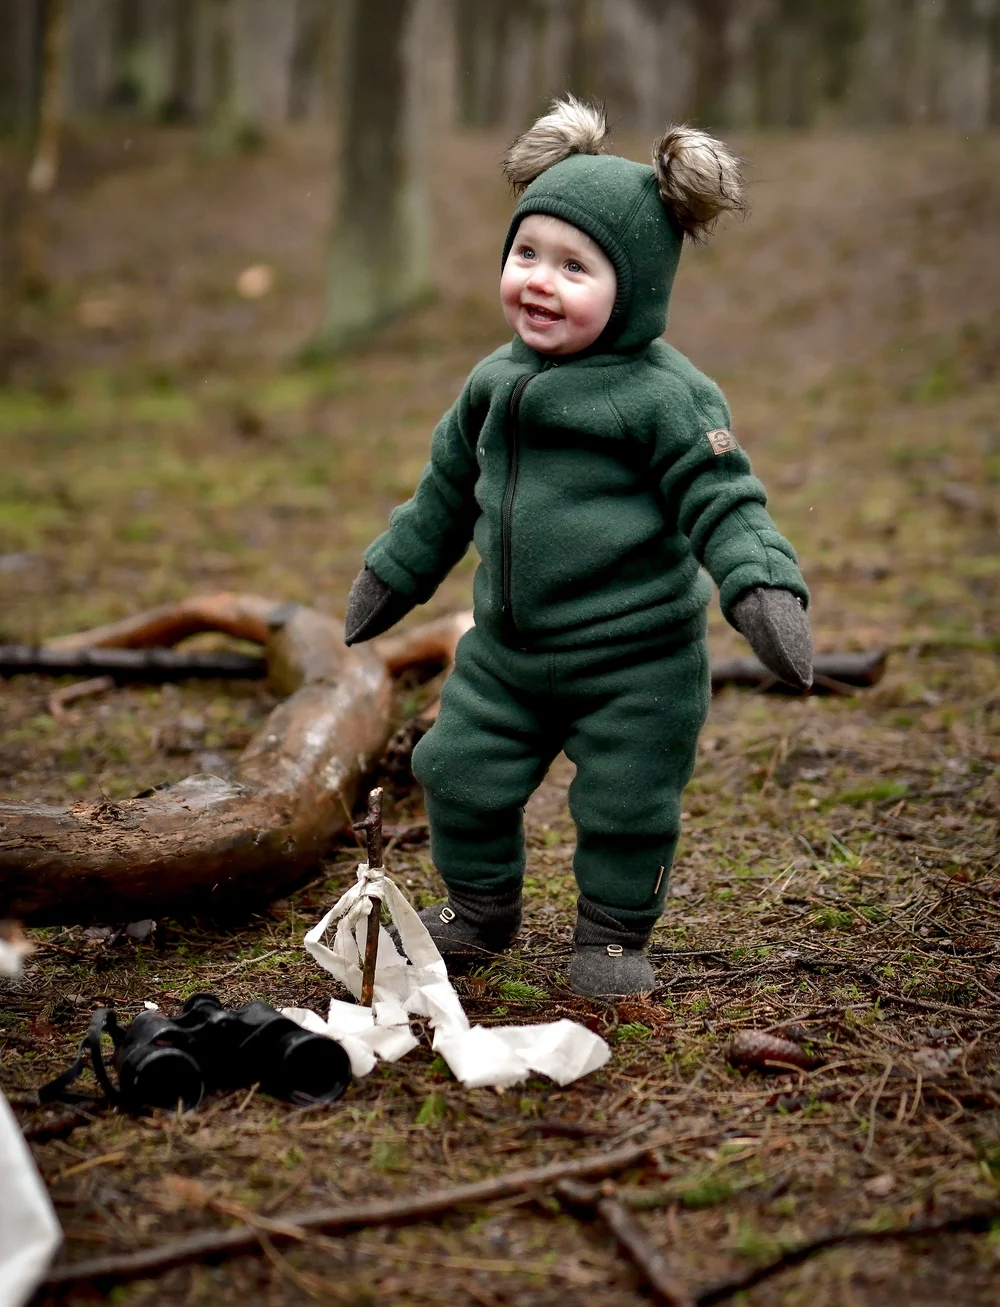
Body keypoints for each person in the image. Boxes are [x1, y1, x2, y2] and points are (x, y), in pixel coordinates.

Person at [345, 97, 812, 997]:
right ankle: (479, 910)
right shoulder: (492, 383)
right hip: (508, 653)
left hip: (635, 662)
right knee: (457, 772)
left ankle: (610, 936)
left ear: (633, 284)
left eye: (574, 266)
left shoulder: (668, 396)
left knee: (626, 804)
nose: (539, 282)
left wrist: (762, 587)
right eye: (527, 254)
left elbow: (726, 500)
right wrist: (391, 574)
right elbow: (444, 495)